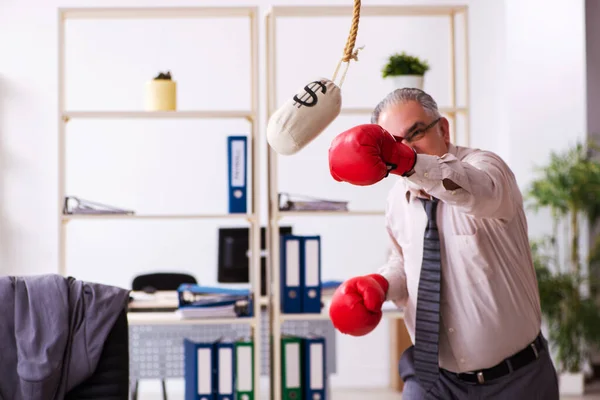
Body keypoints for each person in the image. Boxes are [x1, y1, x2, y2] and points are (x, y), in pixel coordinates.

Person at [327, 88, 559, 399]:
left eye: (416, 133)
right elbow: (405, 262)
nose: (407, 147)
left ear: (443, 129)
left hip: (515, 381)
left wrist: (405, 160)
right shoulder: (397, 198)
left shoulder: (486, 168)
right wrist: (379, 284)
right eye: (393, 144)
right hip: (434, 378)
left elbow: (477, 192)